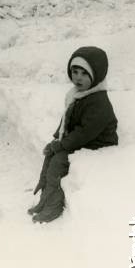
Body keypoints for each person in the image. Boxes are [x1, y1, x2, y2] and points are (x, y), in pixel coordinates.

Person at [29, 46, 118, 223]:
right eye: (75, 71)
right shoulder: (77, 95)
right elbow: (67, 119)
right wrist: (57, 139)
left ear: (96, 76)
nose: (78, 77)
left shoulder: (98, 101)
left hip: (97, 144)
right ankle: (45, 199)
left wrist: (62, 145)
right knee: (49, 155)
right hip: (81, 140)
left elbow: (85, 132)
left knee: (57, 162)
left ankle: (54, 206)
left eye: (85, 74)